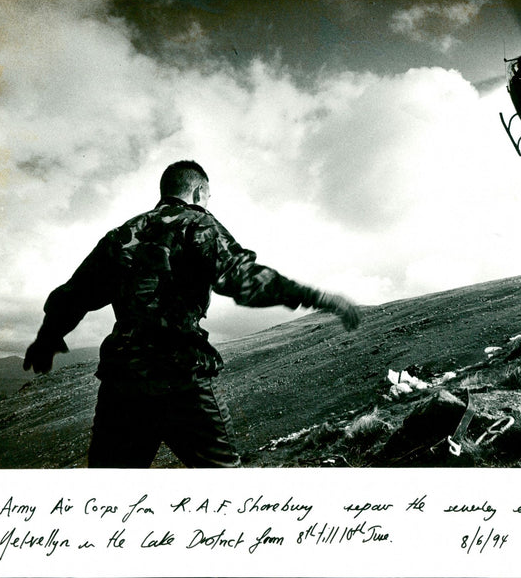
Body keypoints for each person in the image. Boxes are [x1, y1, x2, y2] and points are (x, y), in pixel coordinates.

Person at [23, 160, 361, 468]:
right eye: (209, 197)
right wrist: (318, 297)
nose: (208, 203)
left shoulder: (122, 234)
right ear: (199, 192)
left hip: (122, 384)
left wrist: (47, 337)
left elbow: (75, 293)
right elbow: (243, 280)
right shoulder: (198, 223)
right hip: (182, 379)